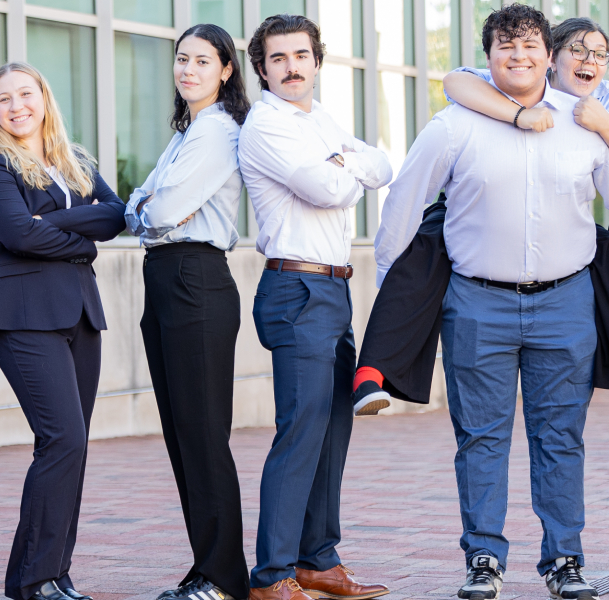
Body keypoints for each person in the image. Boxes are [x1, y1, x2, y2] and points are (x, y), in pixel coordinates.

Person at [375, 7, 609, 600]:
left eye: (529, 46)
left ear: (549, 56)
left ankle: (564, 559)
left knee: (561, 437)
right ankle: (483, 557)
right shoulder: (454, 126)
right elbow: (403, 202)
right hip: (476, 303)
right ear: (488, 57)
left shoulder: (586, 124)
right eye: (505, 47)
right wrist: (391, 289)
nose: (518, 56)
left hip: (566, 301)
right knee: (481, 437)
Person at [352, 16, 609, 420]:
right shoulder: (501, 80)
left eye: (599, 54)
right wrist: (518, 115)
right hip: (473, 230)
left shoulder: (605, 102)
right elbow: (454, 82)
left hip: (565, 247)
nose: (588, 60)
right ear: (555, 58)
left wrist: (599, 121)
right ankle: (372, 370)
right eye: (578, 50)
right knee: (421, 253)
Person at [237, 13, 394, 600]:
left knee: (333, 428)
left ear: (317, 61)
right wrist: (345, 166)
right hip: (295, 288)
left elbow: (382, 165)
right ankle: (272, 574)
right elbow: (331, 189)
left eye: (300, 55)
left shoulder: (319, 119)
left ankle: (317, 560)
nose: (291, 67)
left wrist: (341, 163)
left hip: (334, 288)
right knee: (300, 431)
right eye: (278, 59)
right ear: (261, 69)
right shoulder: (264, 126)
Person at [0, 62, 127, 600]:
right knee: (63, 439)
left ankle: (51, 575)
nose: (16, 106)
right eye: (3, 100)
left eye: (25, 94)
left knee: (72, 448)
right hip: (23, 316)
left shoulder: (74, 160)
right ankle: (35, 580)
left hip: (81, 315)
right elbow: (16, 234)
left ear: (44, 97)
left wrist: (50, 226)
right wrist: (77, 240)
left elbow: (115, 215)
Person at [125, 23, 254, 600]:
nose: (188, 70)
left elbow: (164, 205)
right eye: (182, 59)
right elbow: (136, 207)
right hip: (167, 279)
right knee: (182, 434)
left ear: (226, 70)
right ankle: (206, 566)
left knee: (202, 434)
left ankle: (223, 575)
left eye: (203, 61)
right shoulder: (187, 133)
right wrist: (148, 207)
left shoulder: (219, 130)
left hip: (196, 277)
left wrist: (150, 206)